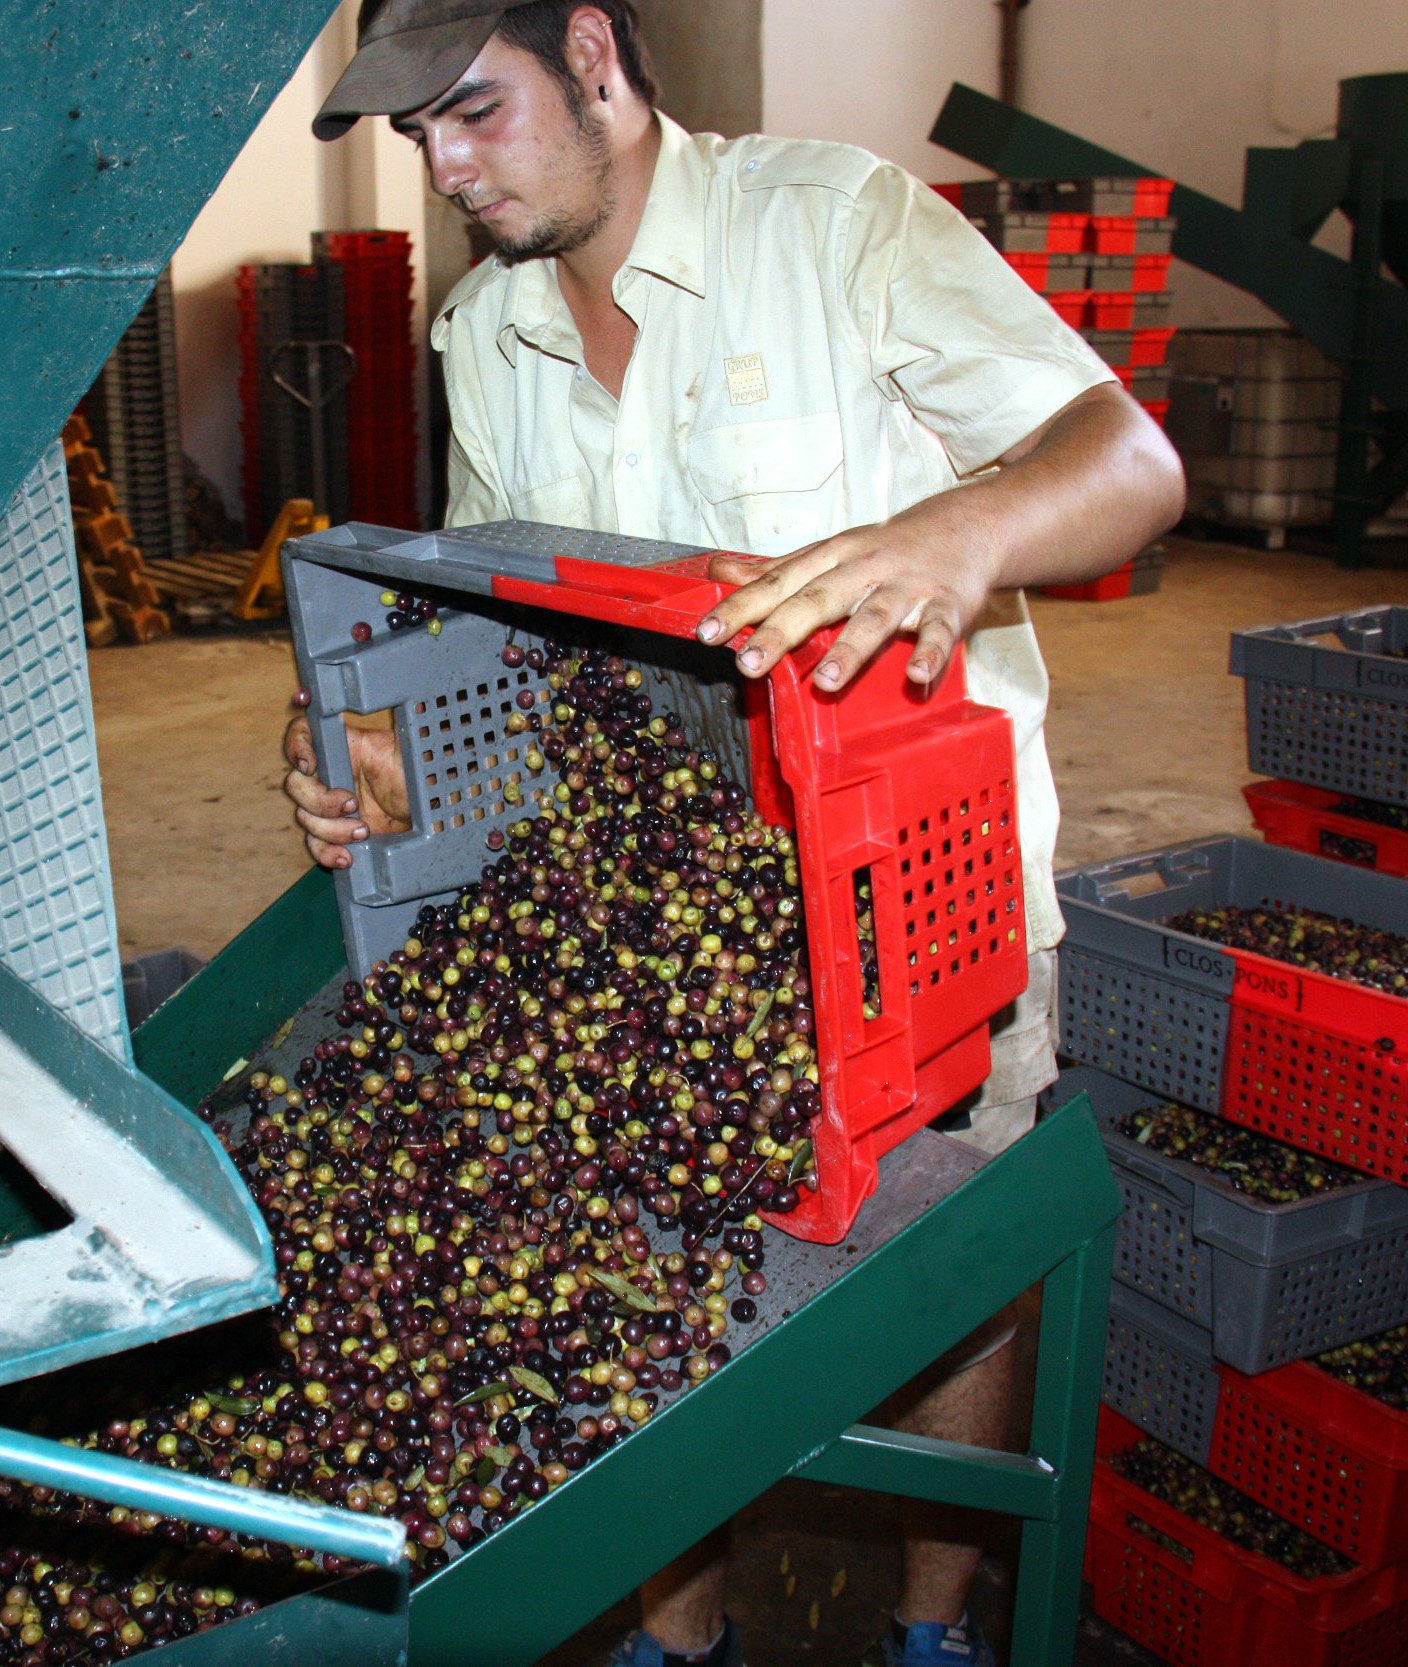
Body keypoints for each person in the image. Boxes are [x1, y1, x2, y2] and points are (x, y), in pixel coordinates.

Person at [283, 4, 1186, 1664]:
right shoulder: (484, 331)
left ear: (596, 58)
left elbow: (1126, 459)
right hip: (665, 916)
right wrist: (375, 744)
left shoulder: (831, 224)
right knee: (635, 1262)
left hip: (924, 904)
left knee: (955, 1264)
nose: (450, 168)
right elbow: (515, 640)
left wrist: (955, 531)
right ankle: (673, 1634)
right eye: (420, 141)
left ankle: (931, 1625)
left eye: (476, 113)